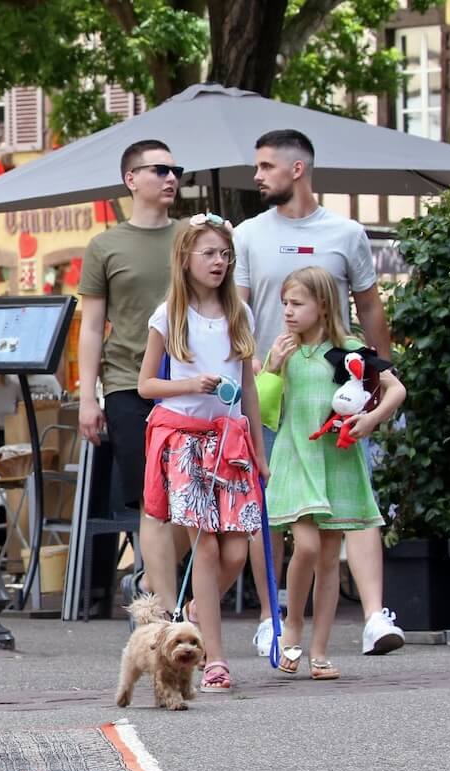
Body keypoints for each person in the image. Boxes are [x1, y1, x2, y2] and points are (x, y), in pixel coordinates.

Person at [234, 128, 403, 657]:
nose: (257, 176)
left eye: (266, 166)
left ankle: (374, 616)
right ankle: (271, 618)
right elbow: (238, 311)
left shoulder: (346, 232)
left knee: (354, 499)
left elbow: (369, 306)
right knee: (274, 512)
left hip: (335, 390)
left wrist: (376, 380)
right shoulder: (248, 234)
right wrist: (248, 371)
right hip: (270, 386)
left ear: (297, 168)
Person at [137, 213, 266, 694]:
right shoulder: (169, 314)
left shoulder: (240, 313)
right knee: (206, 546)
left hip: (229, 443)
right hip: (185, 441)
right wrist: (189, 384)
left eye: (225, 254)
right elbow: (146, 385)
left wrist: (258, 449)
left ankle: (195, 611)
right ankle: (216, 658)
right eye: (209, 253)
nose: (219, 262)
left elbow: (248, 388)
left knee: (236, 548)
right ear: (185, 258)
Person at [265, 267, 406, 679]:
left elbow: (395, 389)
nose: (288, 312)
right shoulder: (285, 350)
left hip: (337, 461)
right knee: (306, 547)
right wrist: (272, 367)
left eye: (297, 303)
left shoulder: (349, 349)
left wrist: (371, 419)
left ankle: (319, 650)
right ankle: (292, 625)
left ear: (323, 306)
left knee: (328, 557)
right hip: (296, 456)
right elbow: (265, 407)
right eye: (285, 304)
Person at [78, 139, 189, 613]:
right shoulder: (105, 245)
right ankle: (164, 610)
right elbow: (91, 326)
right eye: (159, 170)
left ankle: (147, 578)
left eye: (176, 170)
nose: (171, 178)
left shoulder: (192, 236)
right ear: (131, 179)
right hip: (127, 383)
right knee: (152, 500)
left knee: (190, 501)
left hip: (190, 384)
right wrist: (88, 397)